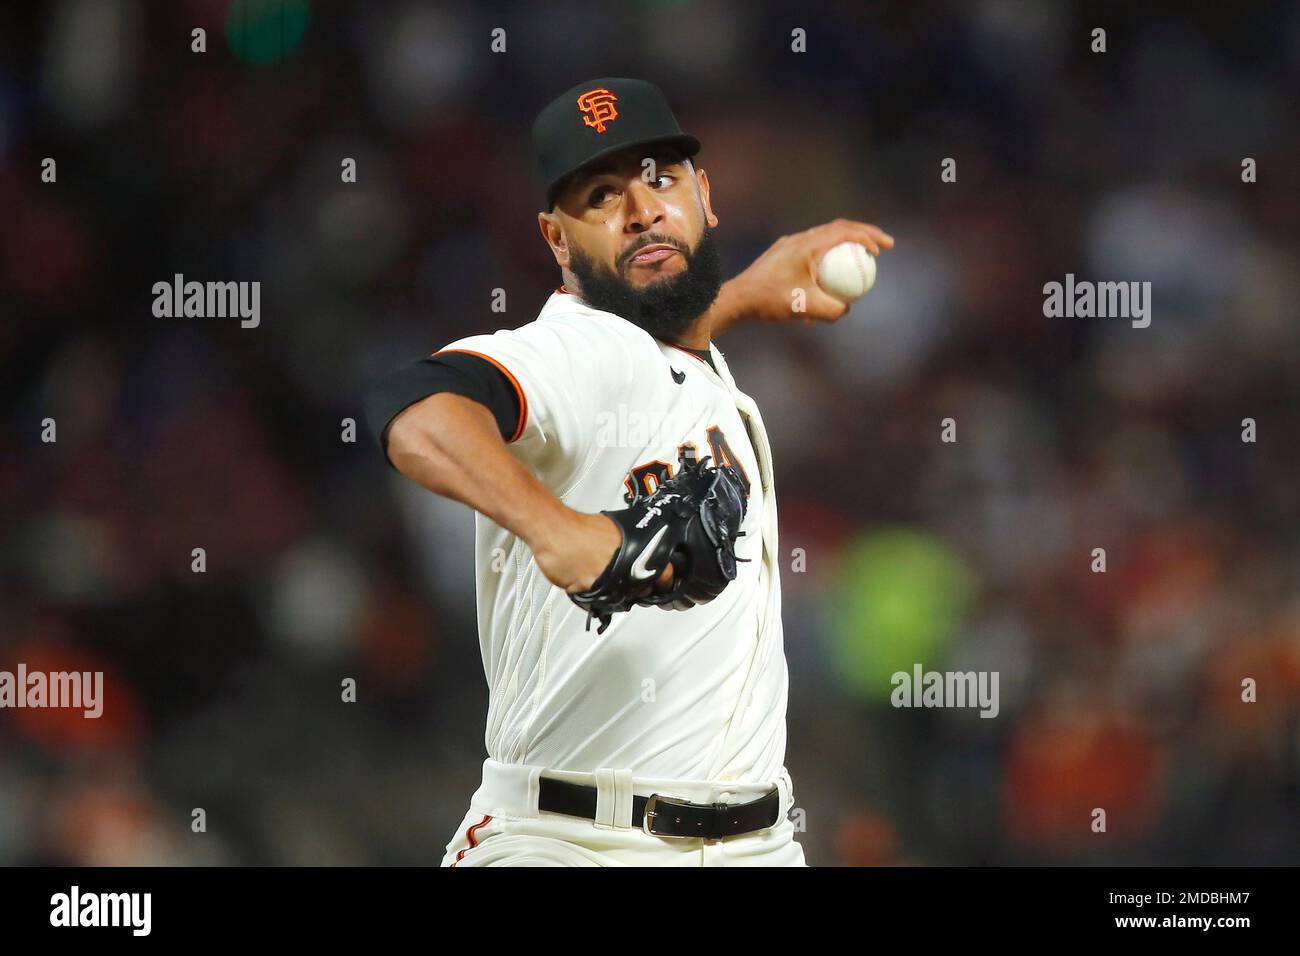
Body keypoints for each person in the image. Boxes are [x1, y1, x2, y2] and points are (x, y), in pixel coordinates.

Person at [363, 77, 892, 866]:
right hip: (575, 841)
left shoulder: (679, 362)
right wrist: (560, 532)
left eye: (660, 177)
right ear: (556, 239)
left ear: (705, 195)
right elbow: (414, 407)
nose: (642, 209)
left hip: (759, 844)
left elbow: (660, 355)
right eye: (602, 194)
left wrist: (740, 297)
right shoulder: (578, 352)